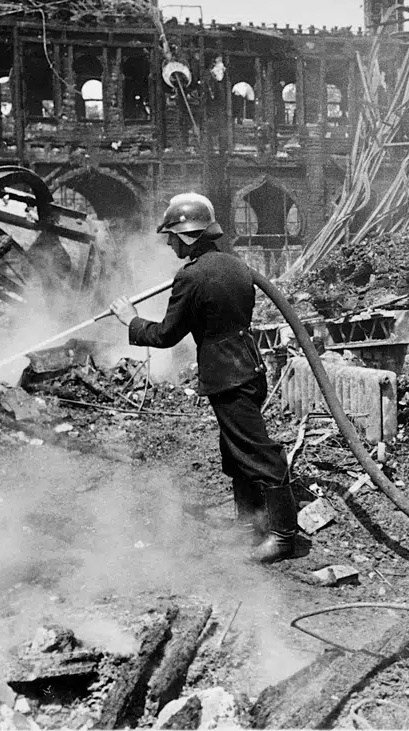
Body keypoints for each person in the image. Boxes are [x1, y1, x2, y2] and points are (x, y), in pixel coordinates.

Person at [111, 192, 304, 564]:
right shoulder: (235, 267)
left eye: (171, 236)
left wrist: (130, 319)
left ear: (186, 235)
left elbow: (166, 335)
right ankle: (250, 524)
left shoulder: (192, 276)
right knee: (236, 451)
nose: (168, 243)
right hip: (248, 367)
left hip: (226, 375)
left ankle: (282, 538)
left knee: (257, 452)